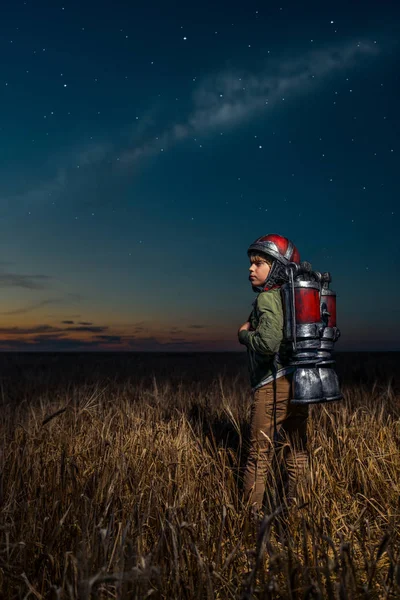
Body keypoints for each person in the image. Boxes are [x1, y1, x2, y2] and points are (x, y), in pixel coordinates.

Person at [237, 233, 309, 515]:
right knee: (297, 450)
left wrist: (244, 335)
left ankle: (249, 521)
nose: (250, 269)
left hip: (272, 386)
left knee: (259, 456)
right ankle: (299, 513)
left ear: (277, 268)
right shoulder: (293, 299)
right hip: (299, 384)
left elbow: (268, 344)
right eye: (251, 264)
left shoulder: (268, 298)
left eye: (258, 263)